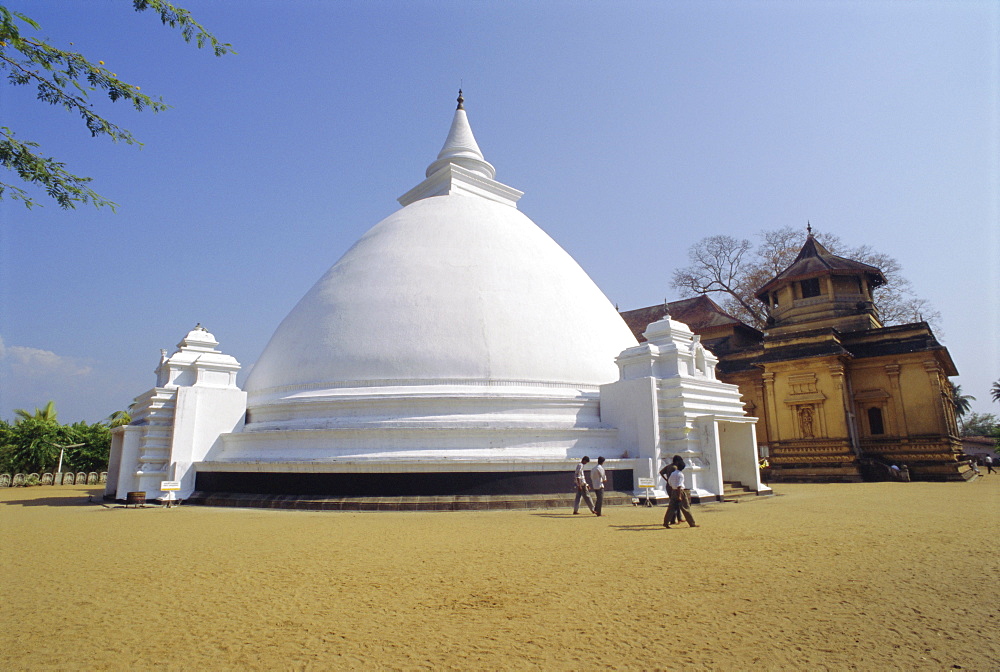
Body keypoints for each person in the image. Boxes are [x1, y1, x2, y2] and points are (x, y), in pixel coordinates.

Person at [663, 462, 698, 529]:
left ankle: (666, 522)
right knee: (686, 508)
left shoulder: (672, 473)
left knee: (671, 508)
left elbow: (669, 482)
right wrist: (679, 496)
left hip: (673, 491)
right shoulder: (680, 475)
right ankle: (692, 523)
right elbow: (679, 486)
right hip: (680, 492)